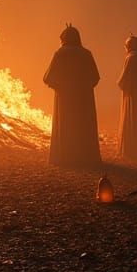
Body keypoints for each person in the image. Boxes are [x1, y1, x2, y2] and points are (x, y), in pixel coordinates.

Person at [43, 24, 101, 168]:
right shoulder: (86, 54)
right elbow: (95, 77)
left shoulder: (60, 54)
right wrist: (84, 88)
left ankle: (66, 157)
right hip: (84, 100)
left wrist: (60, 87)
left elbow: (48, 77)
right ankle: (86, 157)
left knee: (67, 124)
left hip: (65, 99)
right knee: (83, 124)